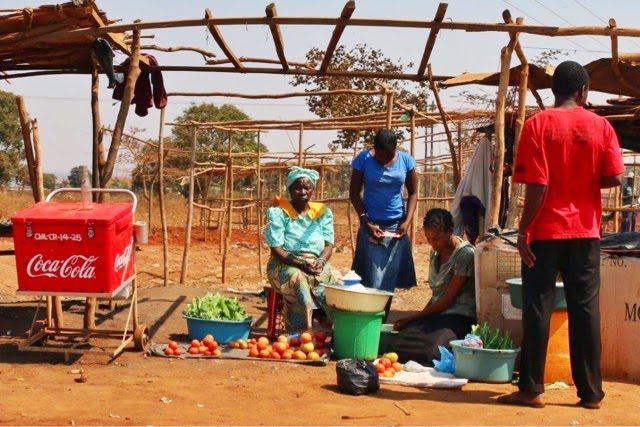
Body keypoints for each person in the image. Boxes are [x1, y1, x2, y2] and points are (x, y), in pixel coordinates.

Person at [498, 61, 625, 410]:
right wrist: (584, 179)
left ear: (555, 90)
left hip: (545, 232)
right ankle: (591, 393)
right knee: (585, 309)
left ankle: (532, 389)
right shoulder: (601, 126)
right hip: (585, 232)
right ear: (583, 91)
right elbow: (615, 177)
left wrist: (524, 229)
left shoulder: (537, 125)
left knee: (537, 308)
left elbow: (537, 184)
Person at [391, 208, 476, 365]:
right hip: (438, 314)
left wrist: (414, 317)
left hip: (459, 316)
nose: (432, 243)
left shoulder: (465, 254)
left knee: (431, 351)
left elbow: (447, 299)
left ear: (450, 231)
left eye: (436, 238)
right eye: (429, 239)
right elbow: (437, 295)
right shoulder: (435, 252)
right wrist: (420, 317)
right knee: (398, 346)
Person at [265, 166, 339, 332]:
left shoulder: (323, 213)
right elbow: (276, 249)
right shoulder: (279, 213)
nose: (303, 191)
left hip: (315, 263)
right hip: (284, 264)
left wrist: (320, 261)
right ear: (290, 189)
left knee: (337, 281)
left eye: (307, 187)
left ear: (312, 189)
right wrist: (299, 264)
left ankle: (334, 328)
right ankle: (300, 333)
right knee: (299, 279)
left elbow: (329, 244)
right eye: (297, 187)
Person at [349, 129, 418, 295]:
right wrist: (366, 222)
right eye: (380, 155)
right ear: (374, 149)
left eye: (389, 155)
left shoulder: (406, 161)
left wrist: (406, 222)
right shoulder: (363, 159)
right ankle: (374, 317)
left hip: (397, 224)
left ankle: (381, 318)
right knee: (374, 279)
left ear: (395, 149)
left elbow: (413, 193)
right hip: (371, 223)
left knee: (388, 279)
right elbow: (353, 193)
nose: (384, 159)